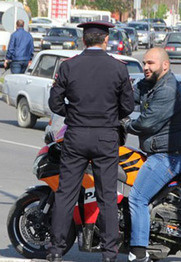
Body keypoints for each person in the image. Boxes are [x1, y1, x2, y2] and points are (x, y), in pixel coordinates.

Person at [47, 21, 135, 262]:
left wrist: (75, 114)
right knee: (106, 194)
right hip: (106, 135)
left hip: (75, 133)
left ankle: (56, 249)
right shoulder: (118, 68)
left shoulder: (69, 66)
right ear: (105, 40)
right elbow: (128, 106)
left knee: (65, 193)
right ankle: (109, 253)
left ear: (83, 40)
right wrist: (108, 117)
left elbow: (54, 103)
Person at [122, 47, 181, 262]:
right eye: (144, 63)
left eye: (150, 63)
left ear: (165, 65)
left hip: (169, 155)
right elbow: (127, 99)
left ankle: (139, 252)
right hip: (161, 152)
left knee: (137, 197)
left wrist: (124, 124)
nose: (145, 67)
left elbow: (147, 123)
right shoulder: (149, 84)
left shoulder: (167, 89)